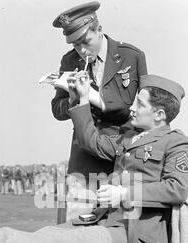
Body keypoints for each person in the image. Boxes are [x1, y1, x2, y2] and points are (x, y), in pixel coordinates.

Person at [66, 72, 188, 243]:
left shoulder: (177, 143)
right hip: (106, 223)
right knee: (51, 234)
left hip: (138, 233)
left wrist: (124, 193)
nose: (132, 109)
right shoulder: (128, 138)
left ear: (159, 115)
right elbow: (90, 142)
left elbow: (177, 188)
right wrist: (83, 99)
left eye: (140, 105)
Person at [52, 1, 147, 218]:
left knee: (118, 229)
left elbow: (145, 105)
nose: (82, 50)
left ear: (99, 30)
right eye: (75, 45)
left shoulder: (131, 56)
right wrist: (74, 100)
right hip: (84, 155)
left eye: (86, 41)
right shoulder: (69, 61)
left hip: (121, 153)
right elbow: (57, 109)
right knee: (77, 224)